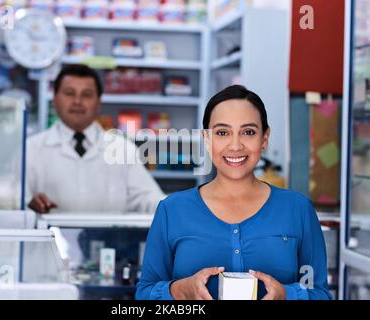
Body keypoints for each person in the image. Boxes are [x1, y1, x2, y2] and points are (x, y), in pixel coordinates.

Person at [135, 85, 332, 300]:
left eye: (248, 132)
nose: (235, 145)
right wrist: (179, 290)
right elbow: (145, 294)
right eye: (222, 133)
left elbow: (319, 293)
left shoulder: (298, 209)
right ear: (207, 139)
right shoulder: (172, 210)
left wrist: (287, 294)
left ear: (264, 138)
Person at [25, 64, 165, 263]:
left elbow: (148, 199)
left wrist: (183, 209)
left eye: (87, 94)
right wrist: (30, 202)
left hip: (108, 257)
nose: (77, 101)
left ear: (98, 102)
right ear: (55, 99)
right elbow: (14, 201)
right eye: (69, 93)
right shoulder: (31, 148)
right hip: (48, 257)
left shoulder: (122, 148)